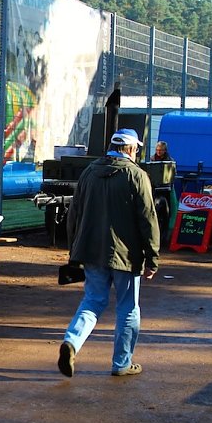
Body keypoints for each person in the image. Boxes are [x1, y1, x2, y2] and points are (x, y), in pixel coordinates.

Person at [56, 128, 159, 378]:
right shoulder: (137, 175)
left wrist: (74, 249)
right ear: (133, 149)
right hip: (127, 254)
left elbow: (74, 214)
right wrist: (152, 257)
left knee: (92, 301)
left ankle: (72, 342)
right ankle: (122, 362)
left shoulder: (89, 173)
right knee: (128, 308)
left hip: (91, 251)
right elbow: (148, 218)